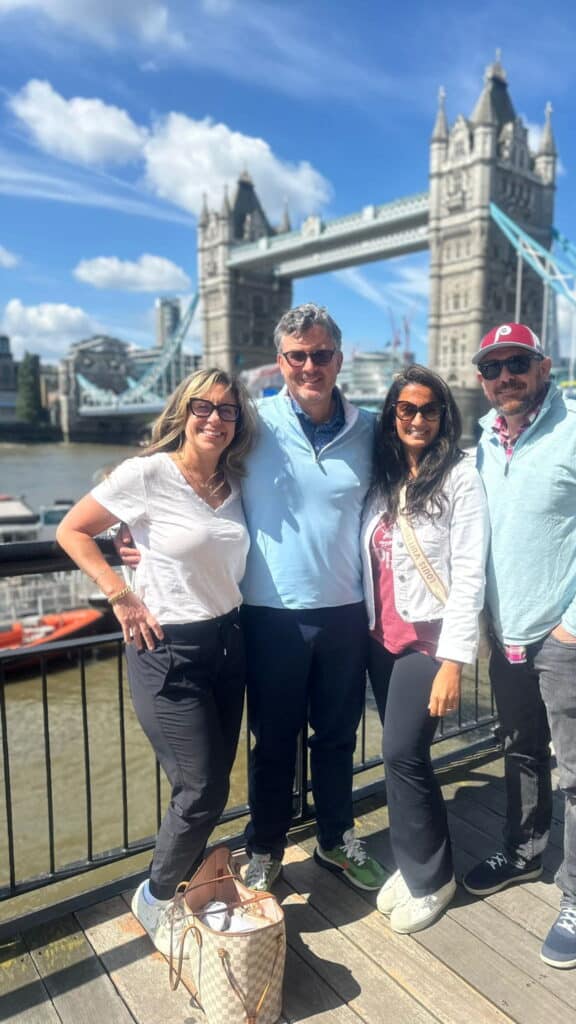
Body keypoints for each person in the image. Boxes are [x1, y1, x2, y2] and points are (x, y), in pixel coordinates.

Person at [56, 368, 256, 958]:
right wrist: (119, 593)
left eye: (228, 410)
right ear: (183, 409)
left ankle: (186, 883)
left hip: (229, 642)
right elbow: (73, 530)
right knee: (198, 788)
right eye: (204, 406)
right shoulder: (147, 473)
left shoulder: (235, 483)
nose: (215, 418)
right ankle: (156, 896)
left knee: (213, 785)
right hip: (165, 649)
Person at [462, 322, 576, 970]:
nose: (504, 376)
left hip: (568, 639)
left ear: (542, 366)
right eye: (491, 367)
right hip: (508, 636)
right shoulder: (481, 442)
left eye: (516, 363)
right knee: (521, 753)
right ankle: (525, 848)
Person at [239, 303, 387, 892]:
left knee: (336, 736)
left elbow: (431, 473)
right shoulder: (249, 423)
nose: (309, 366)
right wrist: (133, 530)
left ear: (338, 360)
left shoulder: (372, 428)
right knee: (272, 740)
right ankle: (265, 848)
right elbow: (182, 466)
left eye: (320, 354)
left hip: (346, 612)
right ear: (280, 363)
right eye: (297, 356)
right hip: (269, 613)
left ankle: (334, 839)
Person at [361, 365, 488, 933]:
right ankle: (415, 859)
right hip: (382, 638)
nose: (416, 419)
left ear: (444, 416)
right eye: (405, 409)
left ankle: (433, 878)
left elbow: (470, 574)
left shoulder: (461, 476)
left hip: (429, 641)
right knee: (404, 760)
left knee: (403, 754)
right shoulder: (384, 476)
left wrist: (453, 661)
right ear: (392, 415)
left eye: (428, 409)